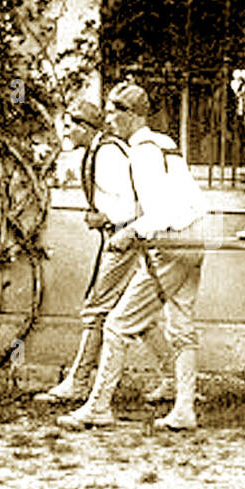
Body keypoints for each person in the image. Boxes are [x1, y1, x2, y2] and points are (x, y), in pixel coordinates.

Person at [59, 81, 209, 431]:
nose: (109, 119)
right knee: (182, 326)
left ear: (133, 115)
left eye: (115, 112)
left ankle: (97, 407)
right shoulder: (164, 142)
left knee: (117, 324)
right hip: (196, 235)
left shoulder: (142, 151)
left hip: (173, 239)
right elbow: (188, 200)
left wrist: (130, 232)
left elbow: (160, 210)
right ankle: (184, 409)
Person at [35, 99, 175, 406]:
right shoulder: (98, 151)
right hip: (124, 236)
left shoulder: (107, 154)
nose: (66, 132)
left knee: (96, 308)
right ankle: (174, 379)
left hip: (124, 238)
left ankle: (78, 382)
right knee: (137, 315)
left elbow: (129, 205)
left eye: (70, 125)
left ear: (85, 127)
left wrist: (103, 218)